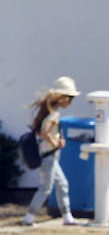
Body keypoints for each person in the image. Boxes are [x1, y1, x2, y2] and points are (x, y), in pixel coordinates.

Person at [22, 76, 81, 226]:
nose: (70, 102)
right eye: (69, 98)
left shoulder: (47, 112)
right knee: (46, 188)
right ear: (62, 98)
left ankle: (67, 217)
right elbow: (45, 133)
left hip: (49, 156)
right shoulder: (54, 115)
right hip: (49, 156)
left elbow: (39, 131)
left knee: (62, 184)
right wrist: (57, 143)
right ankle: (29, 217)